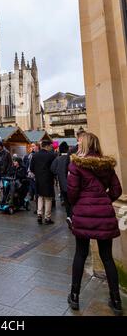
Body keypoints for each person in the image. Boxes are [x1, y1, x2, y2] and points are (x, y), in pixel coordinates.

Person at [67, 132, 123, 316]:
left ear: (85, 144)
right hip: (103, 214)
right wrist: (104, 200)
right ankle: (116, 300)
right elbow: (117, 189)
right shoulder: (107, 164)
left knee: (80, 254)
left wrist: (81, 204)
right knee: (107, 257)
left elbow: (72, 192)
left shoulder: (76, 163)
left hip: (83, 213)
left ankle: (74, 296)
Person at [30, 140, 56, 225]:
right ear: (47, 146)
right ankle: (47, 218)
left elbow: (32, 168)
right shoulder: (51, 155)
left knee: (40, 197)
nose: (51, 147)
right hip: (48, 179)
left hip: (38, 179)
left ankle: (39, 214)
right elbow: (54, 168)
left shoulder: (35, 155)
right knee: (48, 199)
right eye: (50, 146)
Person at [51, 142, 72, 228]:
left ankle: (69, 216)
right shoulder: (71, 158)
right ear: (68, 149)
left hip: (63, 185)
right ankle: (73, 217)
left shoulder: (58, 159)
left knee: (67, 202)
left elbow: (52, 169)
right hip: (72, 184)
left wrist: (58, 174)